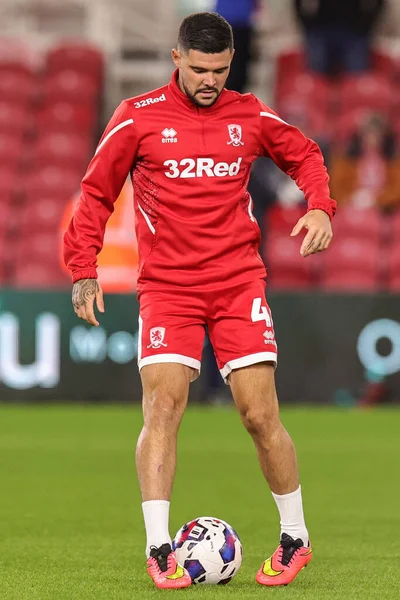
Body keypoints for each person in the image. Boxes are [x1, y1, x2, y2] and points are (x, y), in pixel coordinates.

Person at [63, 12, 335, 590]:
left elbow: (306, 154)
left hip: (238, 281)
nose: (211, 80)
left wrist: (319, 205)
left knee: (260, 415)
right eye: (200, 68)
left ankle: (295, 539)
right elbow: (95, 191)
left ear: (231, 62)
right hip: (168, 287)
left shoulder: (250, 113)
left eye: (221, 69)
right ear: (176, 58)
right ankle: (159, 549)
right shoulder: (137, 118)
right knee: (162, 407)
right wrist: (83, 269)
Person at [294, 0, 385, 75]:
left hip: (354, 32)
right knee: (315, 74)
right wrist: (307, 25)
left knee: (357, 76)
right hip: (321, 29)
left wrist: (367, 24)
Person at [329, 113, 400, 210]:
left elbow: (396, 190)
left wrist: (377, 200)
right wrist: (352, 199)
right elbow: (336, 187)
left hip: (385, 209)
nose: (372, 139)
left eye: (376, 134)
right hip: (350, 207)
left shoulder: (393, 161)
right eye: (369, 134)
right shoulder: (345, 159)